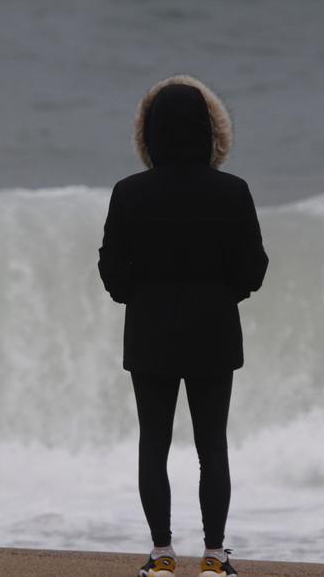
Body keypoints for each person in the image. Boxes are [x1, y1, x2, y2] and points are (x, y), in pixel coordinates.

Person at [98, 75, 269, 577]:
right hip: (214, 330)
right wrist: (222, 295)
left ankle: (161, 554)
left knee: (153, 442)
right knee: (211, 444)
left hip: (149, 331)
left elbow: (111, 268)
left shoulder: (129, 192)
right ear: (210, 130)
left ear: (148, 133)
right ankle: (214, 556)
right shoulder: (232, 191)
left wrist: (138, 295)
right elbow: (253, 267)